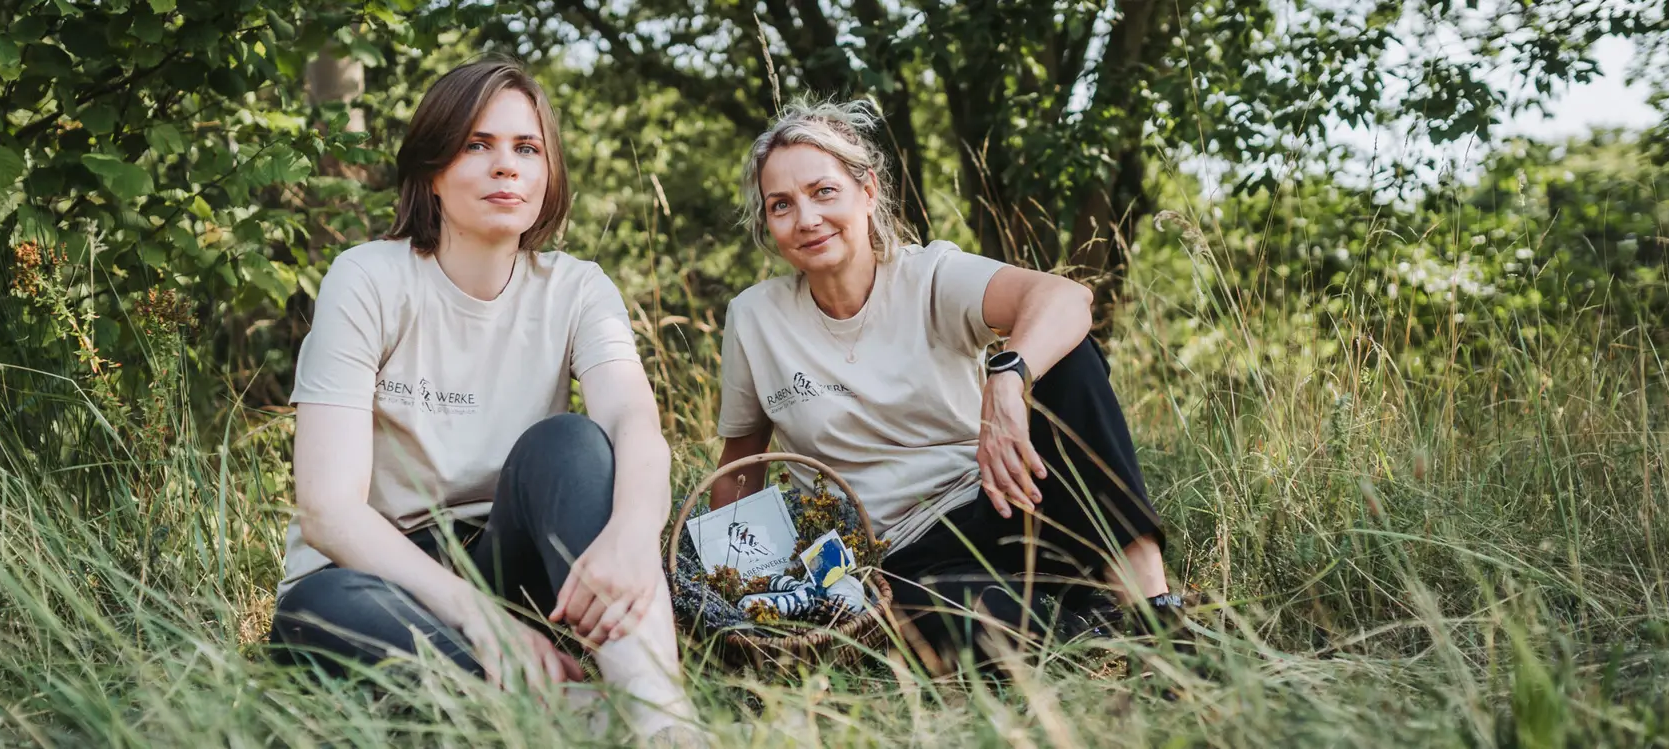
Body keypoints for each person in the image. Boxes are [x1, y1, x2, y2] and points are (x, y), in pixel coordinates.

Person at [269, 59, 697, 739]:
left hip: (515, 558)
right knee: (315, 609)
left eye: (527, 149)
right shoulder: (368, 279)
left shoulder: (576, 287)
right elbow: (328, 512)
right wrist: (477, 615)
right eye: (478, 144)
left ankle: (660, 717)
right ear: (432, 170)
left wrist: (633, 535)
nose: (508, 167)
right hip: (391, 575)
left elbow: (635, 423)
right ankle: (573, 712)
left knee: (571, 441)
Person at [707, 100, 1185, 672]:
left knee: (1068, 354)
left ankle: (1158, 615)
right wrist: (736, 589)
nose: (805, 217)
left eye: (823, 191)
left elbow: (1065, 297)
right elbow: (740, 467)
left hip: (1007, 502)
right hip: (899, 558)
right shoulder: (754, 318)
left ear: (868, 191)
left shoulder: (929, 275)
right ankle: (1079, 621)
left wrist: (1007, 378)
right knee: (990, 636)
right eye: (780, 205)